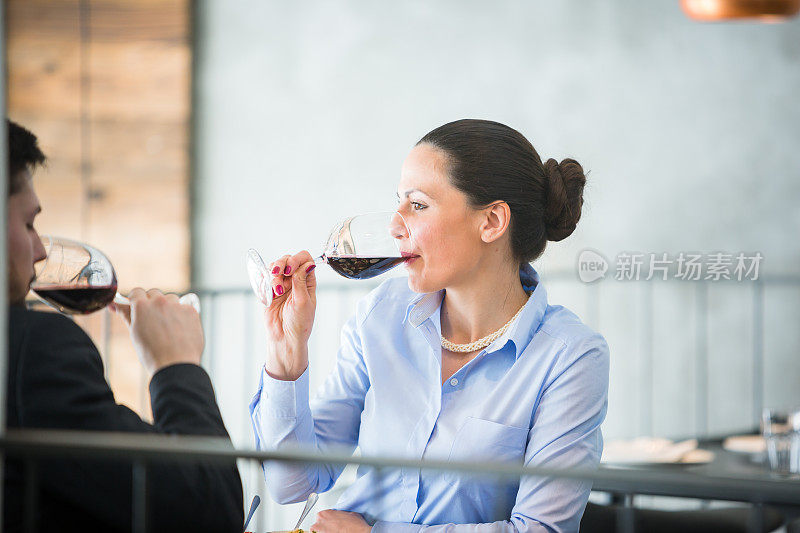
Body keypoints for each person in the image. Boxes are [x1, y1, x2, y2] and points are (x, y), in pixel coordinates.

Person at [250, 119, 609, 532]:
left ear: (491, 221)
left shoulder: (570, 356)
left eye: (417, 205)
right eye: (399, 202)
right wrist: (286, 349)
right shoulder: (382, 314)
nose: (394, 224)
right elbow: (292, 482)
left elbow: (542, 530)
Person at [4, 119, 244, 532]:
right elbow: (209, 510)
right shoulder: (31, 351)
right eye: (28, 224)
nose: (41, 249)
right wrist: (177, 367)